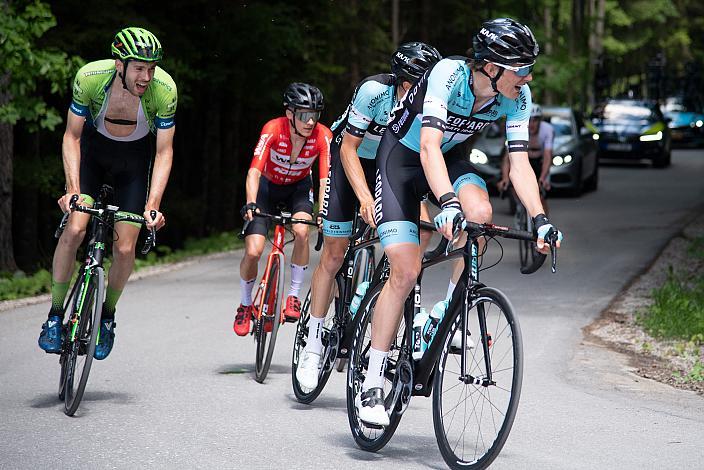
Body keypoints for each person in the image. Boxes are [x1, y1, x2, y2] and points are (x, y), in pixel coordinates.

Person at [356, 18, 564, 426]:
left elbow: (520, 165)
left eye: (529, 68)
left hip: (448, 162)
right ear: (491, 66)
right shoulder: (447, 76)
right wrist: (447, 202)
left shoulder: (517, 97)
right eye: (520, 68)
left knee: (482, 215)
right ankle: (374, 380)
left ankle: (448, 307)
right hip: (401, 161)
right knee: (405, 268)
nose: (528, 76)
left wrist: (540, 220)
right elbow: (428, 146)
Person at [295, 42, 442, 391]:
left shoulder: (432, 101)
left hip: (392, 165)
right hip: (353, 159)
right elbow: (347, 147)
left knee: (423, 230)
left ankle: (391, 286)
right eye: (415, 85)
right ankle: (313, 342)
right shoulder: (374, 92)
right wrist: (364, 199)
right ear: (402, 82)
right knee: (334, 252)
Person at [37, 27, 177, 360]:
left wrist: (153, 205)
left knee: (126, 247)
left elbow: (164, 152)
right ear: (120, 64)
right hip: (93, 158)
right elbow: (71, 136)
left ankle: (108, 317)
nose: (147, 76)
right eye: (139, 68)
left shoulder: (164, 89)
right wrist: (72, 189)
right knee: (74, 228)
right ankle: (55, 316)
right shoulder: (89, 78)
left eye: (152, 68)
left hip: (133, 163)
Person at [234, 83, 332, 336]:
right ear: (290, 114)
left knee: (301, 232)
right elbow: (254, 171)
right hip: (267, 188)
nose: (310, 122)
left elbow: (324, 179)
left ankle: (293, 296)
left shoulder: (323, 135)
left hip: (299, 188)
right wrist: (251, 203)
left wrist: (322, 212)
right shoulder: (273, 129)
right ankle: (245, 305)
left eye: (315, 115)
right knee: (254, 251)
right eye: (303, 115)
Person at [498, 103, 553, 212]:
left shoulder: (547, 130)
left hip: (540, 162)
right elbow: (507, 158)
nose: (532, 124)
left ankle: (544, 223)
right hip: (522, 160)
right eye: (529, 120)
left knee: (540, 196)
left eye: (535, 120)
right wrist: (505, 178)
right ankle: (520, 207)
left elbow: (547, 156)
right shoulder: (517, 128)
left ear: (540, 121)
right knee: (515, 187)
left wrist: (543, 177)